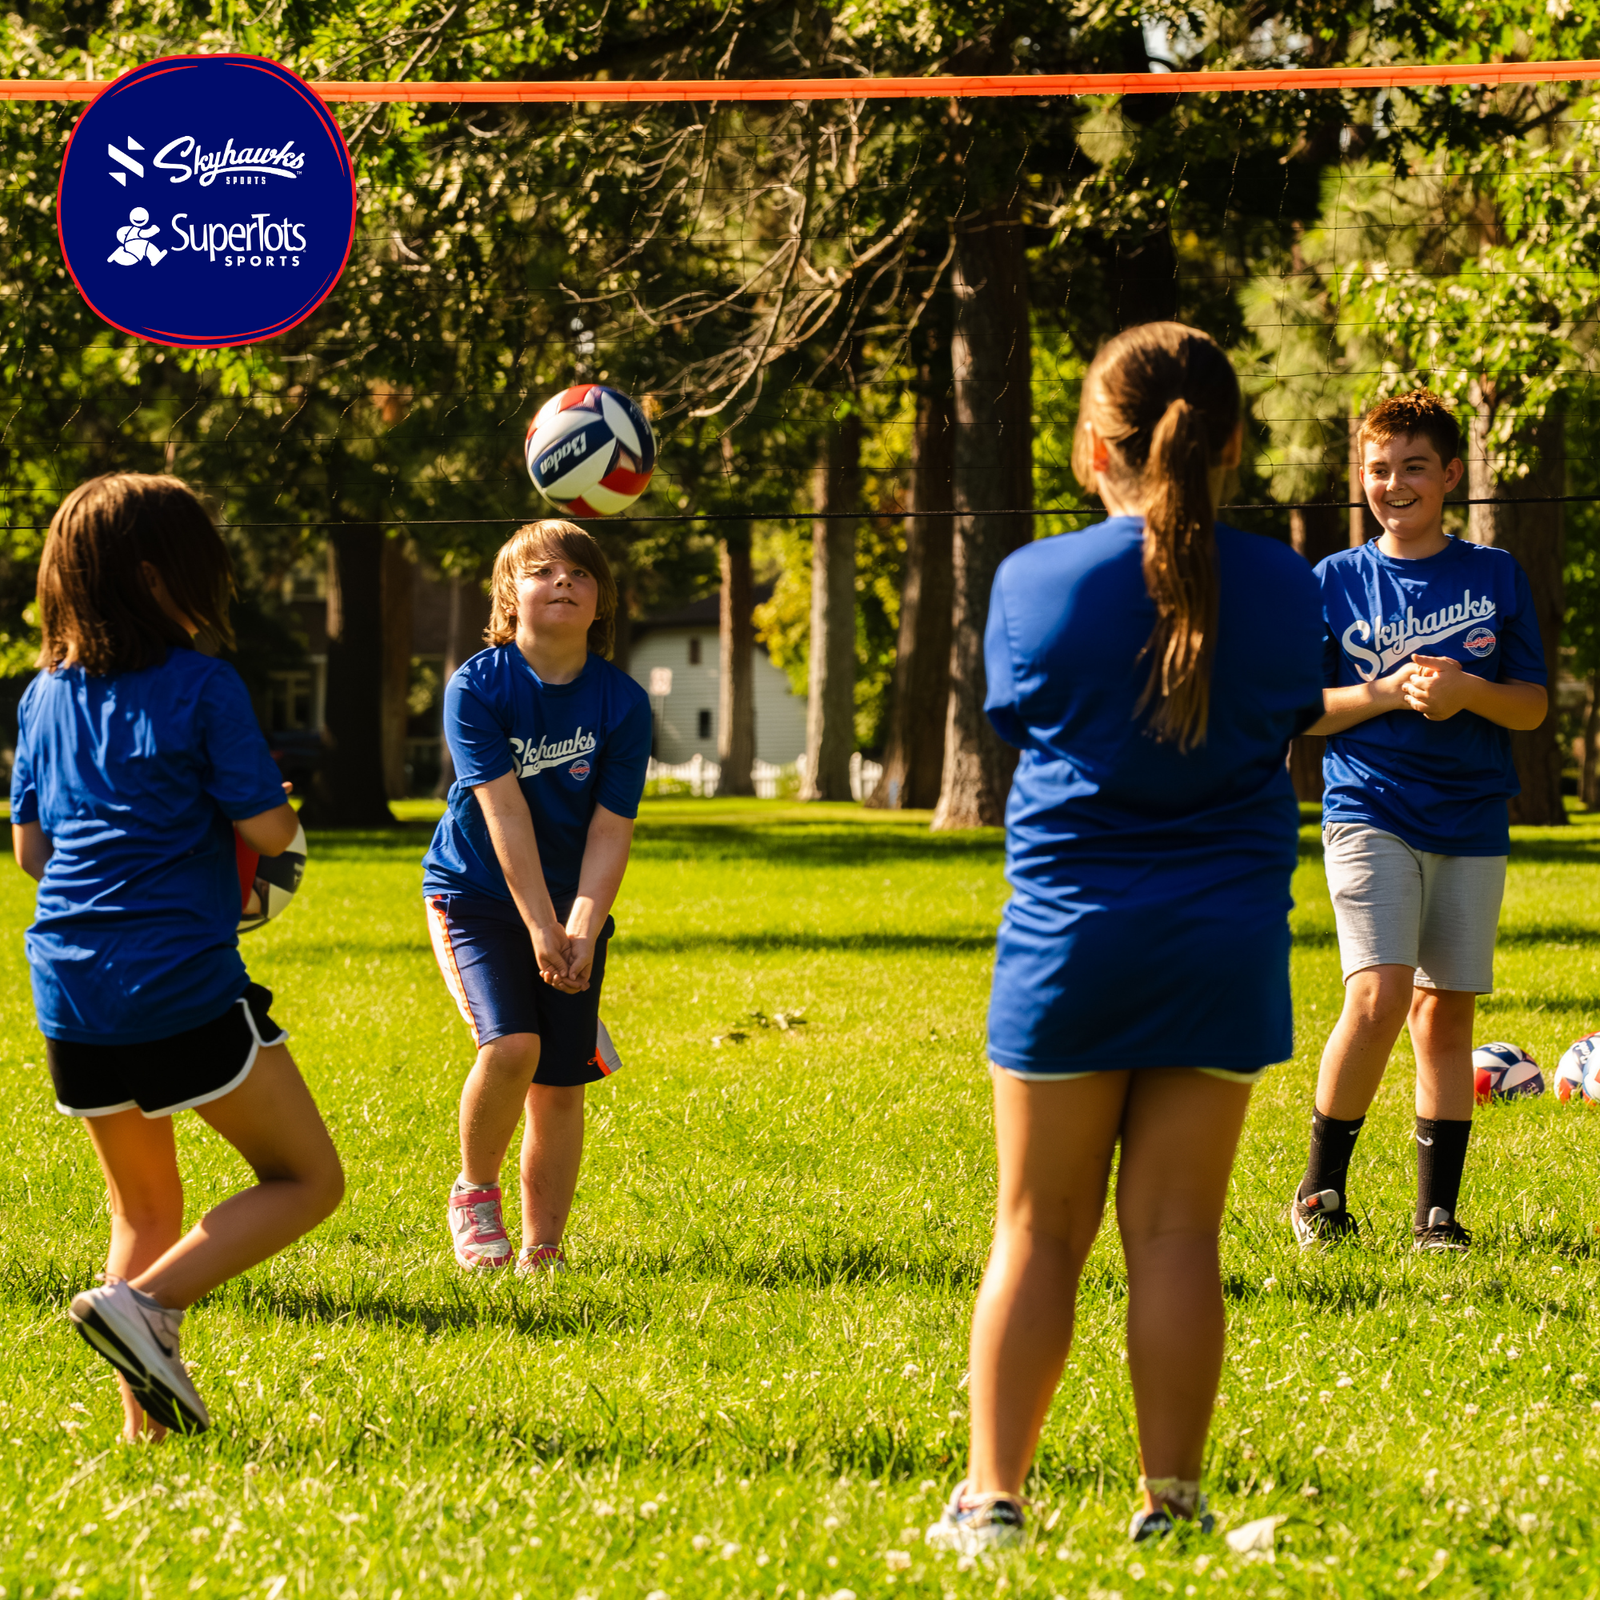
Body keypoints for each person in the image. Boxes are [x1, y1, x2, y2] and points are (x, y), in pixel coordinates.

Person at [925, 323, 1324, 1553]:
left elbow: (1022, 717)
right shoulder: (1288, 585)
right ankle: (1173, 1506)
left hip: (1072, 942)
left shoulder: (1035, 580)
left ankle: (993, 1503)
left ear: (1094, 447)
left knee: (1039, 1227)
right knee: (1174, 1234)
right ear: (1235, 444)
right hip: (1224, 940)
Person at [9, 473, 345, 1440]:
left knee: (146, 1215)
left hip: (69, 990)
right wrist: (255, 808)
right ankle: (144, 1310)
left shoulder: (41, 698)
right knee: (307, 1181)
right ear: (160, 578)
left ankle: (144, 1434)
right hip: (181, 985)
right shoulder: (204, 686)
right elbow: (272, 830)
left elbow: (33, 853)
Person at [1289, 391, 1548, 1253]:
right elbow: (1302, 711)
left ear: (1449, 476)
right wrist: (1386, 690)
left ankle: (1436, 1215)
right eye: (1376, 469)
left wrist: (1468, 691)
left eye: (1411, 468)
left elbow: (1532, 708)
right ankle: (1321, 1193)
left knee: (1446, 1015)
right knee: (1379, 994)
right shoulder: (1333, 580)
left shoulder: (1496, 573)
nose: (1392, 484)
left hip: (1471, 815)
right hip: (1370, 806)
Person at [422, 520, 650, 1274]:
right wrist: (541, 927)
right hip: (478, 895)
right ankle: (473, 1194)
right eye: (542, 571)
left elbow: (610, 830)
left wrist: (579, 927)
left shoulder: (622, 701)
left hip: (569, 906)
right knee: (514, 1047)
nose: (562, 581)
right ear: (507, 596)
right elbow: (505, 813)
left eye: (580, 573)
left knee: (560, 1081)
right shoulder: (478, 686)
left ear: (600, 602)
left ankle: (543, 1251)